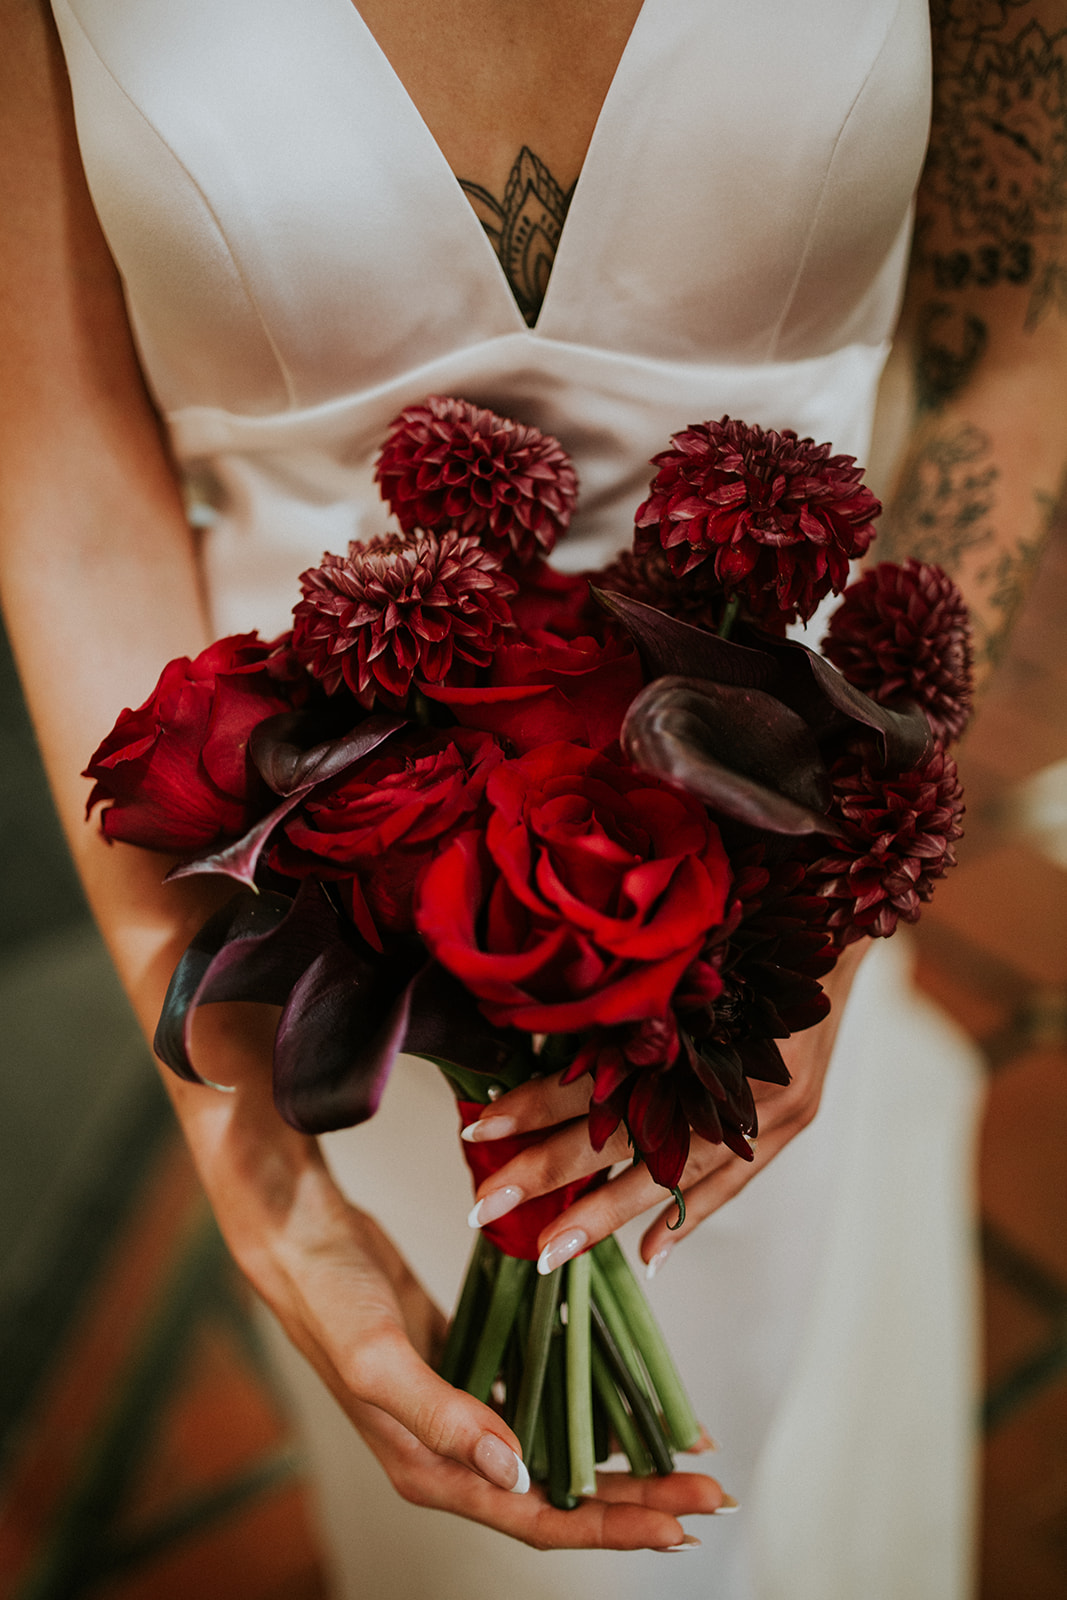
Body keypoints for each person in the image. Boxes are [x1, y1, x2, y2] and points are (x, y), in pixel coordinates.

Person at [1, 0, 1065, 1594]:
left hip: (782, 863)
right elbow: (63, 457)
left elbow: (1023, 341)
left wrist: (831, 912)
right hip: (317, 909)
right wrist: (256, 1173)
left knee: (758, 1426)